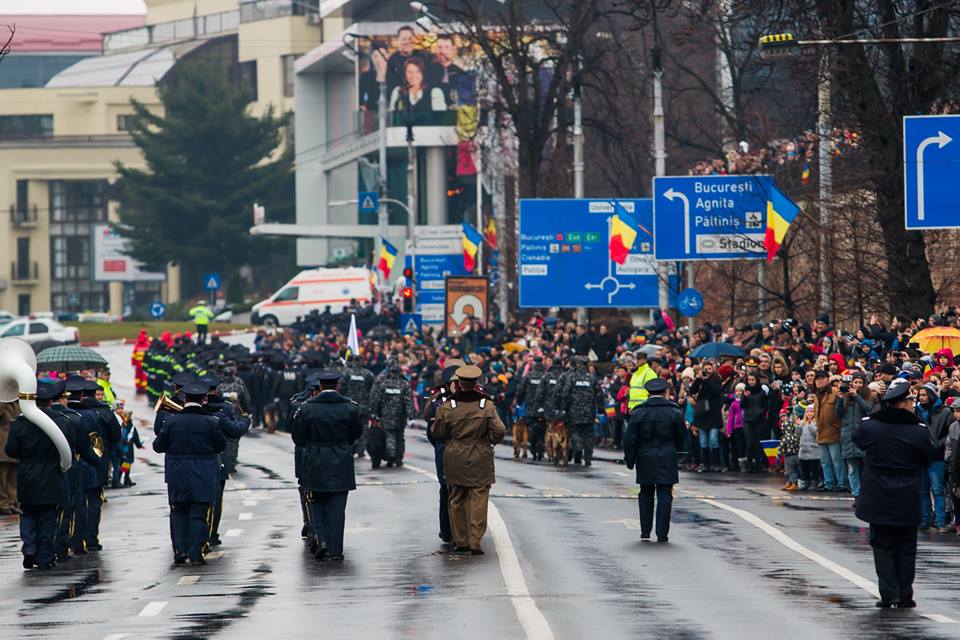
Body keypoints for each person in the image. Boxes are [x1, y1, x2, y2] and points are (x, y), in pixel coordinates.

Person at [853, 380, 938, 608]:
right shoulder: (917, 430)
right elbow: (929, 455)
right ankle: (905, 593)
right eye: (910, 400)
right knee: (906, 547)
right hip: (907, 495)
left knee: (882, 546)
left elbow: (858, 440)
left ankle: (889, 593)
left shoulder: (870, 426)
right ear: (903, 404)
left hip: (878, 495)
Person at [430, 365, 506, 555]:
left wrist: (451, 439)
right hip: (480, 453)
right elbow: (500, 430)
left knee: (456, 497)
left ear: (459, 384)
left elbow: (437, 432)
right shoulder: (486, 406)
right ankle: (475, 540)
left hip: (455, 455)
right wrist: (491, 441)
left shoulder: (448, 406)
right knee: (479, 497)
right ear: (476, 383)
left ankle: (461, 540)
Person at [290, 370, 363, 562]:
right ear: (337, 386)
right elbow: (356, 433)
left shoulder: (307, 409)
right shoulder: (349, 408)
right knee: (338, 509)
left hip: (315, 460)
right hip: (341, 460)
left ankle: (322, 540)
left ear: (320, 387)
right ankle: (336, 550)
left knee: (317, 504)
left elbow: (298, 437)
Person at [153, 382, 226, 565]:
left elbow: (158, 446)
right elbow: (221, 446)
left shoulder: (171, 421)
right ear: (204, 399)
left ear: (184, 399)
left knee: (178, 511)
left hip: (177, 472)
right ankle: (196, 553)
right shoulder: (211, 422)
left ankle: (180, 550)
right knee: (199, 514)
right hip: (203, 472)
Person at [4, 381, 67, 570]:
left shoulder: (19, 424)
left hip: (28, 474)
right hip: (51, 474)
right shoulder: (59, 421)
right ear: (50, 402)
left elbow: (11, 450)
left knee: (28, 514)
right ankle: (45, 556)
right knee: (48, 515)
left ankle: (29, 548)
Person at [623, 378, 685, 543]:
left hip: (645, 455)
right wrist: (679, 455)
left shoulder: (639, 412)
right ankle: (662, 533)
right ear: (666, 393)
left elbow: (630, 439)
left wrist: (630, 460)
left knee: (646, 492)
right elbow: (682, 438)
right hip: (667, 454)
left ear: (648, 393)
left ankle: (645, 531)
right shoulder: (675, 412)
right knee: (665, 494)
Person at [423, 360, 463, 545]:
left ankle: (458, 530)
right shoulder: (438, 401)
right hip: (445, 448)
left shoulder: (468, 398)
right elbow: (431, 430)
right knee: (447, 489)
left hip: (458, 449)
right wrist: (440, 445)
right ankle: (447, 530)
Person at [369, 362, 415, 467]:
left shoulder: (384, 384)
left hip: (386, 416)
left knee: (389, 435)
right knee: (399, 437)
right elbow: (408, 402)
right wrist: (411, 417)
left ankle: (391, 455)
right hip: (400, 417)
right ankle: (397, 459)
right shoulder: (405, 385)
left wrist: (375, 414)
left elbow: (377, 401)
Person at [562, 356, 603, 466]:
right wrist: (601, 409)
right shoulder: (592, 378)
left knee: (575, 432)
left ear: (578, 365)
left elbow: (565, 393)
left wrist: (563, 409)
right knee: (588, 436)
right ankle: (588, 459)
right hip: (589, 412)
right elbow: (600, 394)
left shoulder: (572, 377)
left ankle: (578, 447)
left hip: (574, 412)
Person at [813, 371, 846, 491]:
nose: (820, 381)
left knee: (837, 460)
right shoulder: (817, 394)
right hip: (821, 431)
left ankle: (842, 483)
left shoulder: (836, 392)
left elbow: (841, 411)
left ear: (828, 379)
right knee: (825, 461)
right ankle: (829, 483)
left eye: (822, 378)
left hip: (833, 431)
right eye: (817, 379)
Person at [0, 401, 19, 514]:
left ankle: (12, 501)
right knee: (2, 478)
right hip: (2, 445)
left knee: (13, 477)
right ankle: (3, 503)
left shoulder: (17, 403)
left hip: (14, 443)